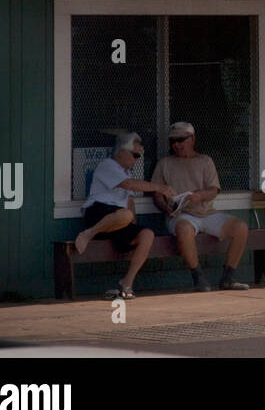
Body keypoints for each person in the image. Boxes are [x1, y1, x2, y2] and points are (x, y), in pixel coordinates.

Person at [151, 121, 252, 291]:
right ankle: (198, 277)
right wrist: (165, 207)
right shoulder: (165, 163)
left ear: (192, 139)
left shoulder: (205, 161)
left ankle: (228, 277)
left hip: (206, 212)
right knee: (184, 229)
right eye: (173, 141)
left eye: (181, 140)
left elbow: (214, 190)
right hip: (180, 215)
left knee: (241, 227)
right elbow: (157, 193)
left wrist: (200, 195)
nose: (176, 145)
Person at [75, 132, 174, 299]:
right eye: (135, 155)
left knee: (147, 234)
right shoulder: (108, 166)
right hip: (98, 213)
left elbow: (129, 200)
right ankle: (88, 234)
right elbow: (128, 185)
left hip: (119, 220)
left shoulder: (126, 173)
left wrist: (133, 224)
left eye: (139, 156)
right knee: (125, 215)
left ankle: (127, 282)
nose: (136, 160)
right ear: (121, 151)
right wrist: (159, 187)